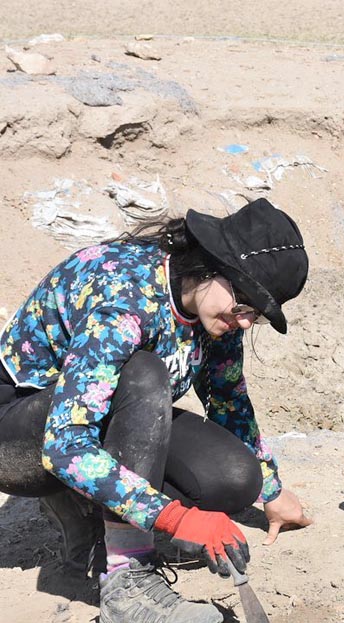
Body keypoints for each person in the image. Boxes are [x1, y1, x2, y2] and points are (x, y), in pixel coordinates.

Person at [0, 198, 313, 623]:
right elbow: (64, 445)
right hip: (20, 431)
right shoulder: (124, 301)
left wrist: (271, 491)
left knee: (236, 480)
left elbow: (228, 398)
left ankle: (97, 507)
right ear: (210, 266)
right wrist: (174, 518)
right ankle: (128, 581)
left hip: (99, 419)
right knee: (145, 373)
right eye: (244, 305)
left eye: (255, 315)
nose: (244, 322)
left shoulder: (215, 311)